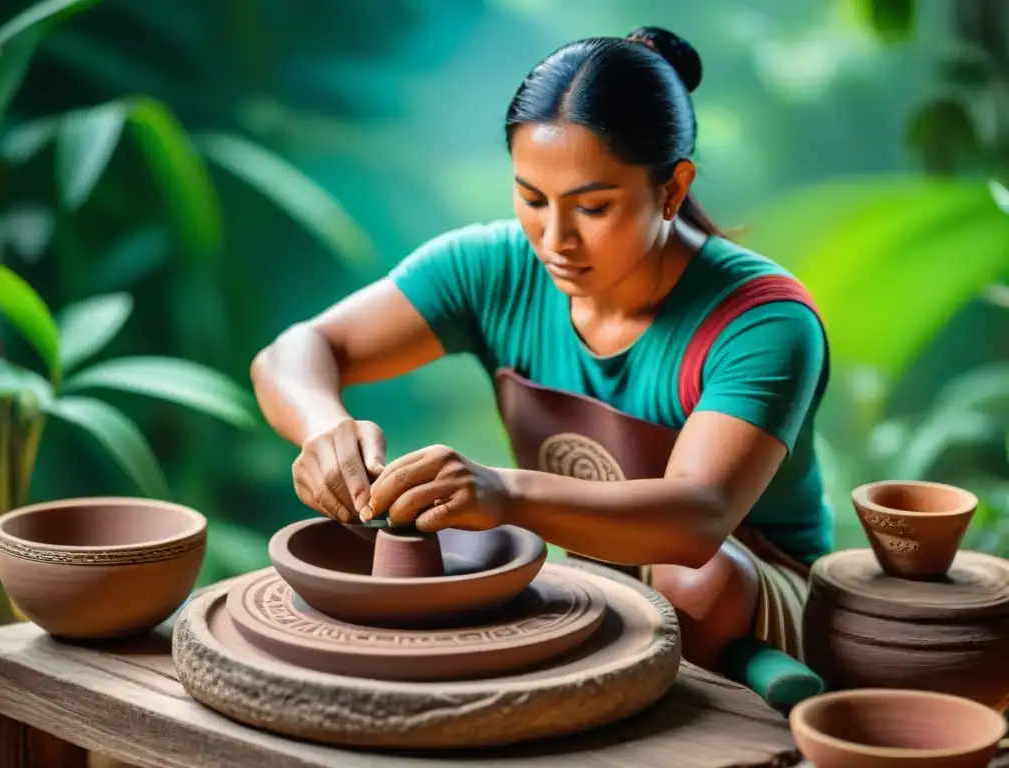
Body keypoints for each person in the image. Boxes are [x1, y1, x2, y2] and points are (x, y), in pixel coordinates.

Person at [251, 26, 832, 674]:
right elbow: (295, 352)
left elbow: (697, 521)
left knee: (699, 583)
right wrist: (323, 429)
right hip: (596, 583)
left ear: (671, 189)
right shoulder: (493, 268)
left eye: (594, 207)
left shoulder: (761, 320)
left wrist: (502, 495)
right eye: (531, 198)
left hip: (757, 596)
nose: (555, 239)